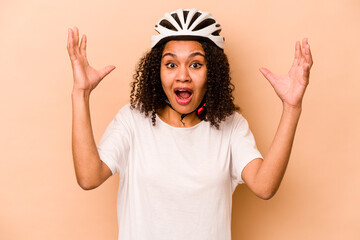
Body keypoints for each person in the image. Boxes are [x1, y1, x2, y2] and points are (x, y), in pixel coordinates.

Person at [67, 8, 313, 240]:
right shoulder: (132, 120)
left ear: (213, 72)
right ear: (157, 71)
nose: (182, 75)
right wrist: (81, 93)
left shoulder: (232, 126)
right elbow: (89, 178)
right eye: (171, 64)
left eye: (196, 64)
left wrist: (292, 107)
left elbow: (264, 186)